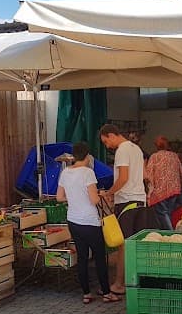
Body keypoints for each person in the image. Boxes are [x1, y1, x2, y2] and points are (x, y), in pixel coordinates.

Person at [56, 142, 119, 303]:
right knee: (99, 257)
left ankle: (86, 294)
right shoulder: (88, 173)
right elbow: (93, 200)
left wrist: (75, 197)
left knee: (82, 257)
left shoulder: (65, 172)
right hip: (90, 221)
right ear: (87, 155)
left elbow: (59, 197)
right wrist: (101, 194)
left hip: (73, 220)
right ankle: (106, 292)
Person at [99, 123, 148, 294]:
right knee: (137, 245)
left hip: (127, 202)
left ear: (112, 135)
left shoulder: (122, 150)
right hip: (141, 201)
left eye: (106, 141)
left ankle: (119, 284)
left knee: (124, 246)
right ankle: (139, 281)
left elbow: (123, 178)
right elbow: (144, 175)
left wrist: (109, 193)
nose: (107, 146)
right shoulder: (137, 149)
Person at [145, 136, 182, 230]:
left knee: (163, 213)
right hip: (174, 190)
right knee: (167, 212)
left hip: (160, 191)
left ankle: (171, 233)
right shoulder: (174, 155)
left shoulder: (154, 157)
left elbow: (149, 175)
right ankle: (166, 234)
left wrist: (149, 191)